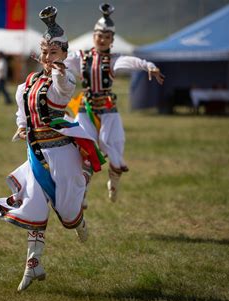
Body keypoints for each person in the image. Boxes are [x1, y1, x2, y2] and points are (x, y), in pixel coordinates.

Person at [0, 6, 103, 292]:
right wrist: (22, 126)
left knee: (67, 211)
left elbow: (64, 91)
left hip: (62, 151)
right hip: (36, 151)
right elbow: (22, 113)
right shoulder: (26, 84)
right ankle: (33, 264)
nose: (48, 57)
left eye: (54, 52)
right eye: (45, 52)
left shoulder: (64, 79)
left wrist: (60, 72)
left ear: (63, 53)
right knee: (35, 206)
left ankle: (80, 200)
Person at [64, 3, 164, 202]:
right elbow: (62, 61)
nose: (102, 39)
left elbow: (134, 61)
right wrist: (51, 64)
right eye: (99, 36)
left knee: (114, 148)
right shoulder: (81, 58)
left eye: (106, 37)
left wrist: (150, 67)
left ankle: (114, 183)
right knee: (85, 148)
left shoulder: (114, 60)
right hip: (86, 109)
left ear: (111, 40)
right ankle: (82, 194)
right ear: (94, 36)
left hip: (108, 110)